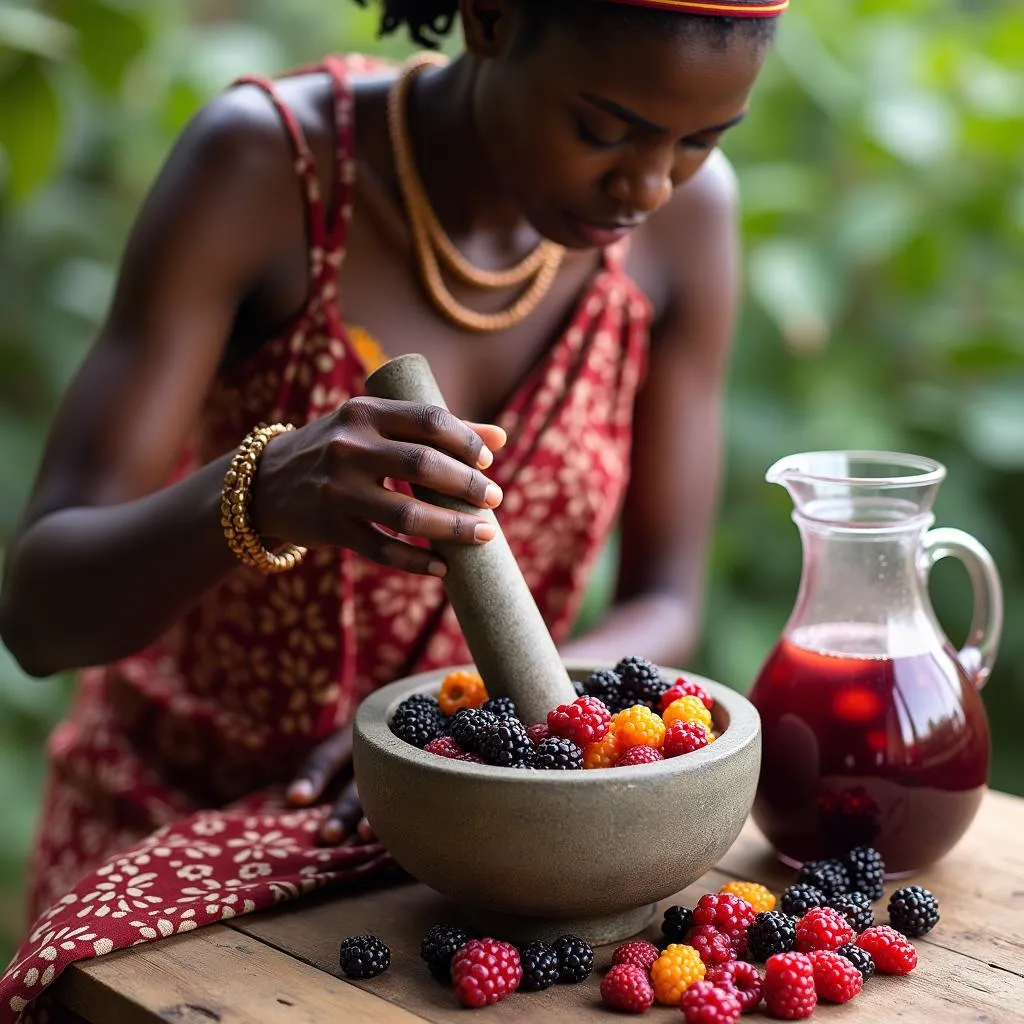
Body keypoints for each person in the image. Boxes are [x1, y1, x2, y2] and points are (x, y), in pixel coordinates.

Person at [0, 0, 785, 1016]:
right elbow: (39, 609)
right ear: (494, 20)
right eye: (602, 128)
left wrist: (461, 722)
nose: (646, 182)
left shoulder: (688, 220)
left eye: (702, 140)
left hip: (470, 860)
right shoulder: (268, 172)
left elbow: (668, 600)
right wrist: (263, 488)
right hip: (172, 854)